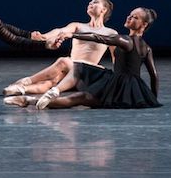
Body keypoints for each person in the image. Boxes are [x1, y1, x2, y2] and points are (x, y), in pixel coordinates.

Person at [24, 7, 160, 110]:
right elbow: (154, 76)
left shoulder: (125, 40)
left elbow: (98, 37)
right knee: (81, 97)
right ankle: (31, 100)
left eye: (135, 17)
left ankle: (45, 94)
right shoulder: (147, 48)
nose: (129, 17)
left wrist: (73, 35)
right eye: (130, 15)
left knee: (80, 76)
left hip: (117, 85)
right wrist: (152, 97)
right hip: (134, 90)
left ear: (144, 24)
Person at [3, 0, 117, 100]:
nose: (90, 4)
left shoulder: (110, 33)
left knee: (63, 61)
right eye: (90, 2)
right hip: (72, 70)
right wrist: (44, 37)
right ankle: (21, 89)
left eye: (95, 2)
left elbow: (115, 57)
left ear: (104, 10)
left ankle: (26, 81)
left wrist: (119, 80)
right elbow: (60, 31)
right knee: (51, 81)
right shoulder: (78, 26)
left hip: (89, 72)